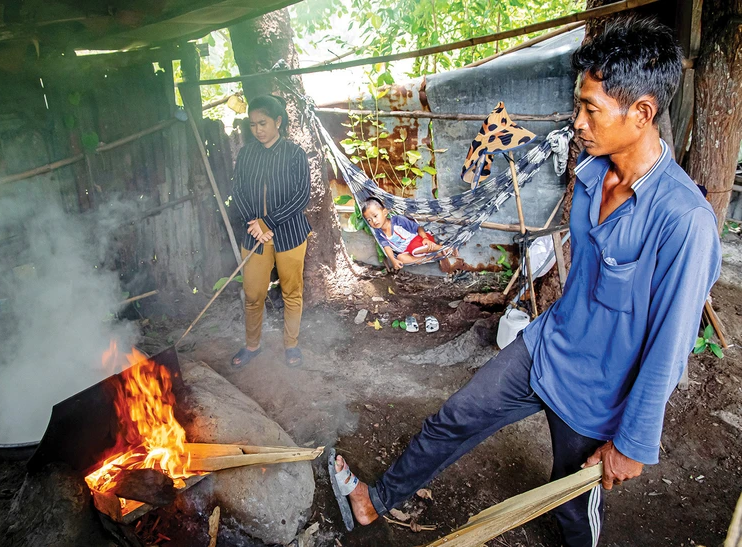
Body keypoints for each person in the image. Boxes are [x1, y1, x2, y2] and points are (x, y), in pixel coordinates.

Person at [330, 17, 722, 546]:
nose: (577, 121)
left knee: (570, 510)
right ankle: (375, 502)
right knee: (454, 417)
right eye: (577, 105)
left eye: (590, 108)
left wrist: (631, 442)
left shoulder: (684, 220)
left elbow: (670, 346)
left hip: (598, 396)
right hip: (544, 349)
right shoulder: (589, 176)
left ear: (643, 112)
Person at [231, 95, 311, 369]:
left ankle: (292, 345)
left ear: (278, 121)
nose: (258, 130)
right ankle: (252, 345)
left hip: (289, 234)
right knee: (253, 294)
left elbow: (301, 196)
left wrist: (269, 223)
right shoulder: (246, 154)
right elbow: (237, 191)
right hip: (254, 235)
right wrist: (255, 223)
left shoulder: (295, 154)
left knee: (292, 292)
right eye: (252, 125)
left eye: (263, 123)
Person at [360, 197, 463, 273]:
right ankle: (435, 255)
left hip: (421, 240)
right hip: (411, 252)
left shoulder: (398, 220)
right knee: (400, 257)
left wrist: (425, 238)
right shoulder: (379, 232)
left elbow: (418, 227)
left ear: (385, 212)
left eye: (375, 216)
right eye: (369, 220)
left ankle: (443, 248)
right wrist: (393, 260)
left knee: (414, 248)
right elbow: (386, 246)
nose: (373, 221)